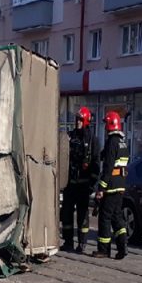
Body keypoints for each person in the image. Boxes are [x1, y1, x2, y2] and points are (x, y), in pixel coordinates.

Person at [60, 107, 99, 252]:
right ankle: (68, 241)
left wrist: (92, 185)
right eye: (76, 119)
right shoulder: (70, 137)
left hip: (83, 186)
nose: (77, 122)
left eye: (80, 120)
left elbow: (96, 164)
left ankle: (82, 243)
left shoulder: (92, 140)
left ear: (86, 121)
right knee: (66, 214)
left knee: (83, 216)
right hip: (70, 184)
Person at [93, 110, 129, 260]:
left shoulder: (112, 141)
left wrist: (101, 188)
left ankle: (103, 250)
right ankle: (122, 247)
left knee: (105, 218)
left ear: (109, 125)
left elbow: (108, 167)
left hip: (111, 185)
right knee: (117, 217)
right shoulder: (122, 142)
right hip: (120, 184)